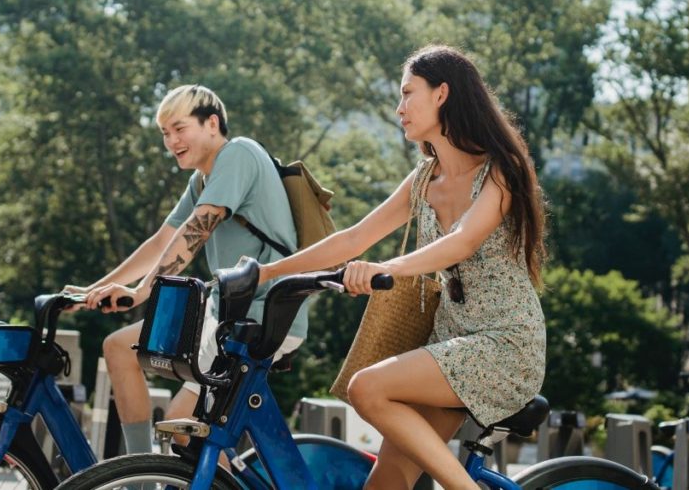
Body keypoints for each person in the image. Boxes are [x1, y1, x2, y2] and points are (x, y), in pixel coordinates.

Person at [258, 45, 547, 490]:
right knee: (387, 482)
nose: (399, 108)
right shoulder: (422, 181)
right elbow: (352, 239)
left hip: (503, 343)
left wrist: (384, 268)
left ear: (442, 94)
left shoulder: (500, 171)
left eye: (407, 93)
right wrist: (266, 273)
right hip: (449, 344)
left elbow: (461, 242)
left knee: (367, 387)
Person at [65, 84, 306, 456]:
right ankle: (140, 477)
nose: (171, 141)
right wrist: (93, 290)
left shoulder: (238, 154)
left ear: (212, 123)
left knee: (183, 425)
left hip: (260, 315)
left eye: (179, 129)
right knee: (119, 348)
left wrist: (142, 291)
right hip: (222, 314)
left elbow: (198, 228)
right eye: (164, 133)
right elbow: (163, 241)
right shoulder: (202, 179)